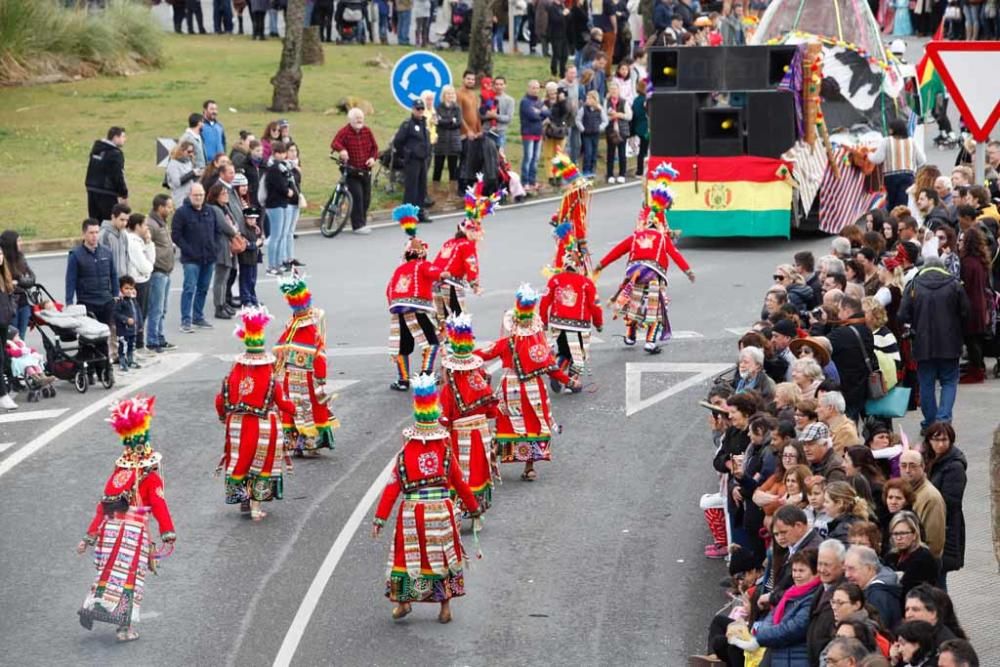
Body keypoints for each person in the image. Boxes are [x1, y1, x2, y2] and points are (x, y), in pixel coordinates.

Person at [371, 373, 482, 623]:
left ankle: (404, 602)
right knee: (442, 557)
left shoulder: (406, 451)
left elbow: (392, 487)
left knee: (407, 556)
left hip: (413, 513)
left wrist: (380, 518)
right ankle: (445, 608)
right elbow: (460, 483)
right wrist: (474, 509)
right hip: (441, 512)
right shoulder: (445, 449)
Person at [76, 395, 176, 642]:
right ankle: (124, 628)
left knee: (108, 573)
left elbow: (102, 506)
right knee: (130, 577)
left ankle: (94, 605)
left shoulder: (119, 473)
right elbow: (160, 506)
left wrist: (88, 537)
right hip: (133, 533)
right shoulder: (150, 478)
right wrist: (168, 533)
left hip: (109, 531)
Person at [475, 284, 571, 481]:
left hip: (510, 388)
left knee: (505, 424)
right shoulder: (539, 346)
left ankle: (489, 464)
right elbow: (551, 367)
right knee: (533, 424)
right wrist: (568, 381)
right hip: (533, 390)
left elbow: (484, 353)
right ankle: (529, 467)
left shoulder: (505, 343)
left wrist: (461, 355)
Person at [215, 307, 295, 521]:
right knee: (261, 463)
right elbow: (284, 404)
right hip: (262, 426)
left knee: (240, 461)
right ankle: (255, 506)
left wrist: (224, 416)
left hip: (236, 426)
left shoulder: (232, 375)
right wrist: (295, 411)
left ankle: (243, 497)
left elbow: (219, 401)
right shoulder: (270, 379)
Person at [596, 183, 695, 354]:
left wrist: (601, 264)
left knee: (634, 304)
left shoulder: (635, 236)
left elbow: (617, 251)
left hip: (634, 273)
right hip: (653, 275)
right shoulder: (662, 238)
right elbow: (675, 254)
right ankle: (650, 342)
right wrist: (688, 271)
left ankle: (630, 335)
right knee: (655, 308)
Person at [898, 256, 970, 429]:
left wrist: (914, 324)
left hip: (923, 344)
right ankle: (944, 420)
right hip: (950, 343)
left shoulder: (914, 285)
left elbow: (902, 315)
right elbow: (966, 312)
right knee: (949, 381)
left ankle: (930, 423)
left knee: (926, 383)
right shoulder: (954, 284)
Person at [438, 314, 498, 514]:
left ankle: (460, 508)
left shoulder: (448, 389)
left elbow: (445, 417)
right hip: (480, 434)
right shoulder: (479, 381)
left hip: (459, 435)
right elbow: (491, 410)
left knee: (459, 472)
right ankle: (477, 507)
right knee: (479, 470)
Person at [273, 275, 338, 457]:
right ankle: (310, 441)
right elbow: (319, 358)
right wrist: (321, 378)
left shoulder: (290, 327)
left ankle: (295, 443)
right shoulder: (313, 332)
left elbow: (279, 351)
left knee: (293, 407)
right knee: (313, 408)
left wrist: (278, 371)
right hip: (309, 378)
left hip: (290, 377)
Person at [539, 221, 603, 393]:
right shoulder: (586, 283)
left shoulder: (555, 280)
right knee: (579, 354)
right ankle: (572, 381)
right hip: (579, 325)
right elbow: (595, 306)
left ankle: (557, 372)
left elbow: (544, 301)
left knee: (564, 351)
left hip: (557, 323)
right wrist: (598, 323)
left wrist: (544, 321)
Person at [387, 206, 445, 391]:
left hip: (398, 309)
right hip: (416, 307)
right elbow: (434, 272)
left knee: (403, 345)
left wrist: (396, 305)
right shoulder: (422, 265)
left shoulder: (399, 269)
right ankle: (426, 376)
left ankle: (403, 380)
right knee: (432, 342)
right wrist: (444, 274)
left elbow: (389, 290)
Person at [729, 549, 821, 664]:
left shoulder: (813, 597)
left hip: (795, 658)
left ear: (816, 572)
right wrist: (763, 632)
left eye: (801, 571)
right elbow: (772, 615)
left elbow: (791, 629)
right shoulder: (791, 592)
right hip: (779, 652)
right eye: (794, 570)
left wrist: (760, 637)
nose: (796, 575)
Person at [431, 176, 499, 326]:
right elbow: (471, 265)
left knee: (441, 316)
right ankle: (458, 344)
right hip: (451, 282)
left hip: (435, 281)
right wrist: (475, 284)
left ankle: (441, 344)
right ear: (470, 232)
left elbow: (437, 262)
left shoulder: (450, 242)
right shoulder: (467, 245)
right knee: (458, 317)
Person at [170, 183, 217, 333]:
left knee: (203, 288)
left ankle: (198, 317)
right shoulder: (181, 213)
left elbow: (216, 231)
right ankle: (185, 320)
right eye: (196, 195)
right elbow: (176, 235)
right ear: (190, 196)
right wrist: (188, 250)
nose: (199, 198)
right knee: (189, 288)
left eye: (201, 195)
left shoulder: (210, 211)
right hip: (191, 259)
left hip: (208, 258)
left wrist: (214, 248)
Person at [924, 422, 967, 587]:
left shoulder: (954, 467)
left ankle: (944, 612)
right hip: (933, 525)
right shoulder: (930, 458)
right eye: (936, 439)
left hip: (945, 529)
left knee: (938, 578)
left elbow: (950, 502)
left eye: (945, 440)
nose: (940, 444)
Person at [827, 295, 876, 421]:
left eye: (839, 310)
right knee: (871, 425)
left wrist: (818, 325)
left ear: (847, 310)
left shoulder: (842, 333)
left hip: (846, 388)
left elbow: (823, 346)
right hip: (864, 386)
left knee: (848, 424)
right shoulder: (866, 330)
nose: (837, 315)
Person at [330, 108, 379, 235]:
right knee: (357, 196)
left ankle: (362, 222)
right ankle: (357, 225)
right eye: (356, 117)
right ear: (350, 119)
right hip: (351, 170)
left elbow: (375, 148)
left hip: (365, 170)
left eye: (361, 117)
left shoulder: (367, 131)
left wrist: (373, 158)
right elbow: (334, 143)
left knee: (366, 198)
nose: (359, 119)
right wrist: (342, 150)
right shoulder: (344, 132)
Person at [66, 218, 118, 330]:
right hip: (87, 302)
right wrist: (69, 302)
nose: (94, 236)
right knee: (91, 336)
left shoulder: (107, 252)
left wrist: (116, 295)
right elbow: (70, 280)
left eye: (96, 232)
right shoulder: (75, 255)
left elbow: (113, 274)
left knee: (110, 335)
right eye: (91, 233)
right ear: (84, 234)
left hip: (107, 301)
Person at [958, 226, 993, 384]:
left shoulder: (966, 262)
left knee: (971, 339)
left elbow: (964, 285)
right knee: (976, 339)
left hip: (970, 304)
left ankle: (976, 371)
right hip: (981, 303)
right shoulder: (982, 260)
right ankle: (978, 368)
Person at [806, 539, 848, 664]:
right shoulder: (821, 588)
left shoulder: (845, 593)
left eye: (827, 565)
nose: (822, 569)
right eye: (820, 564)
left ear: (842, 565)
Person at [869, 119, 926, 211]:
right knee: (904, 201)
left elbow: (877, 159)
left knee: (892, 202)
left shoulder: (886, 141)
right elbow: (922, 161)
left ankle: (893, 219)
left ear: (892, 130)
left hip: (891, 177)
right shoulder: (912, 141)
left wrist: (868, 155)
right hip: (908, 175)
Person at [844, 544, 902, 631]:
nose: (847, 575)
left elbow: (877, 632)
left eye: (852, 569)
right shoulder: (872, 591)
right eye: (845, 569)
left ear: (869, 569)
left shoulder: (878, 596)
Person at [144, 195, 176, 354]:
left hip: (166, 270)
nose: (171, 210)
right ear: (160, 207)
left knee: (162, 308)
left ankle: (160, 336)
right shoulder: (151, 224)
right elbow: (148, 246)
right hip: (158, 272)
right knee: (156, 308)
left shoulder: (161, 222)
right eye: (169, 207)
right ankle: (152, 340)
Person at [393, 99, 433, 223]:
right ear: (413, 109)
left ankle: (420, 212)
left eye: (422, 109)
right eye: (417, 109)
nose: (420, 111)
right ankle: (408, 215)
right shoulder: (408, 124)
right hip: (412, 160)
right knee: (411, 188)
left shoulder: (423, 123)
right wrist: (405, 154)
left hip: (423, 159)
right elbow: (398, 141)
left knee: (422, 187)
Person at [884, 511, 939, 598]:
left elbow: (907, 590)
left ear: (914, 535)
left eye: (903, 533)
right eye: (895, 534)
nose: (899, 538)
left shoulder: (924, 558)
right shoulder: (891, 557)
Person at [205, 183, 239, 320]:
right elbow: (226, 227)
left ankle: (223, 302)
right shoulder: (215, 209)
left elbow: (234, 222)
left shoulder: (224, 208)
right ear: (216, 196)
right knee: (220, 278)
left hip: (229, 244)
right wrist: (234, 231)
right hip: (221, 246)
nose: (226, 196)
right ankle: (218, 306)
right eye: (223, 194)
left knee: (225, 277)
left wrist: (235, 230)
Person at [123, 214, 154, 352]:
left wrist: (149, 243)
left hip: (143, 279)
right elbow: (146, 265)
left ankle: (139, 343)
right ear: (137, 226)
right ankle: (137, 345)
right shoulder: (133, 243)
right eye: (145, 225)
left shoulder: (140, 241)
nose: (147, 227)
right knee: (139, 314)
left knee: (142, 313)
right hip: (139, 281)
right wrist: (150, 267)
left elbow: (151, 260)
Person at [85, 126, 128, 222]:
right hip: (107, 192)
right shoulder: (115, 154)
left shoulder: (97, 148)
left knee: (95, 222)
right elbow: (117, 175)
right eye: (123, 136)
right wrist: (123, 193)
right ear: (115, 137)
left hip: (92, 189)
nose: (125, 139)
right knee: (109, 223)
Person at [0, 230, 35, 339]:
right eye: (18, 241)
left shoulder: (21, 257)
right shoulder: (3, 261)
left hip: (24, 302)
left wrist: (19, 280)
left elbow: (32, 278)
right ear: (12, 243)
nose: (21, 243)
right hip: (10, 306)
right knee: (12, 337)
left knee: (22, 337)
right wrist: (20, 280)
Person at [519, 80, 550, 193]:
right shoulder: (525, 102)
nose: (535, 90)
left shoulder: (539, 101)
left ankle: (532, 181)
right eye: (533, 88)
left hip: (538, 133)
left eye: (537, 88)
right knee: (528, 158)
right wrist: (540, 113)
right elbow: (532, 116)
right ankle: (525, 182)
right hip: (528, 133)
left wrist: (539, 112)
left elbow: (548, 113)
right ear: (528, 88)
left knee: (536, 159)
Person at [432, 86, 462, 191]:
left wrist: (443, 121)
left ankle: (452, 191)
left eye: (452, 94)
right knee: (438, 167)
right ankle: (435, 190)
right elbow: (436, 122)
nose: (450, 96)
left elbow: (458, 123)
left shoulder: (457, 108)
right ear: (444, 95)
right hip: (441, 141)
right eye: (448, 94)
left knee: (453, 168)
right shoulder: (438, 107)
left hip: (454, 142)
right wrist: (450, 121)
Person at [824, 480, 870, 546]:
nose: (824, 505)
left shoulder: (843, 531)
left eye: (827, 501)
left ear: (840, 503)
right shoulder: (854, 521)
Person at [603, 81, 632, 184]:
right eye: (611, 90)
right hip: (611, 130)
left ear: (619, 90)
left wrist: (619, 115)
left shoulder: (624, 102)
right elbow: (603, 116)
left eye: (615, 89)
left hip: (622, 130)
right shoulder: (606, 102)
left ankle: (622, 174)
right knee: (610, 153)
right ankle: (610, 174)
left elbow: (629, 116)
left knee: (622, 153)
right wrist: (610, 117)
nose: (613, 91)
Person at [576, 90, 608, 179]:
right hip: (586, 134)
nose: (587, 100)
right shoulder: (583, 109)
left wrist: (600, 128)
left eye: (590, 98)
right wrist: (582, 129)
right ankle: (586, 171)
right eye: (587, 98)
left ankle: (592, 170)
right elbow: (578, 119)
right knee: (588, 152)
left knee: (594, 152)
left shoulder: (599, 109)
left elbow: (605, 121)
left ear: (595, 99)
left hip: (595, 134)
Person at [0, 257, 18, 410]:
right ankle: (3, 395)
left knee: (4, 357)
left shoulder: (4, 276)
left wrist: (11, 311)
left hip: (3, 323)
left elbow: (11, 296)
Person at [114, 276, 141, 372]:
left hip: (133, 329)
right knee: (123, 347)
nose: (129, 291)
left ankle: (131, 361)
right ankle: (123, 362)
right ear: (121, 289)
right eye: (126, 288)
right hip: (123, 330)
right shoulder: (120, 301)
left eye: (131, 288)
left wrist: (140, 325)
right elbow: (116, 314)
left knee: (131, 346)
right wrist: (125, 319)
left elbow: (138, 312)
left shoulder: (133, 300)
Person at [165, 141, 201, 208]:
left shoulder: (189, 162)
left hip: (190, 196)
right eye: (189, 151)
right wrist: (192, 173)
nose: (191, 154)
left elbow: (192, 180)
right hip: (180, 198)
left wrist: (197, 175)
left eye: (193, 152)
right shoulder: (173, 164)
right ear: (181, 151)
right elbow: (177, 182)